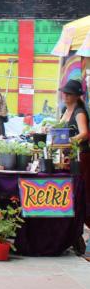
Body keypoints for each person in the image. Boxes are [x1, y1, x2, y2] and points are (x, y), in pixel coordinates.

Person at [59, 79, 90, 229]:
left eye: (69, 94)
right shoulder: (65, 111)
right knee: (73, 193)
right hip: (69, 157)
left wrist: (69, 140)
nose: (65, 96)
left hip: (81, 157)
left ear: (77, 96)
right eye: (64, 93)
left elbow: (85, 133)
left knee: (83, 193)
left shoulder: (79, 112)